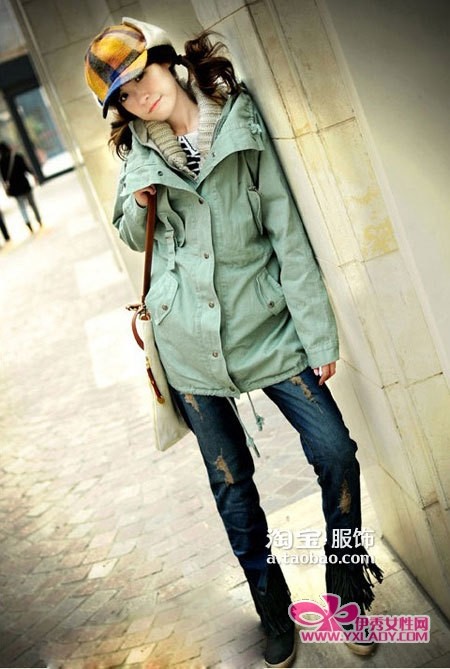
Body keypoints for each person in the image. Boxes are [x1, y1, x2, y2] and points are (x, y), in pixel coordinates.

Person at [85, 18, 383, 668]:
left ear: (167, 60)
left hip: (268, 329)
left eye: (141, 78)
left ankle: (346, 591)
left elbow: (287, 232)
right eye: (124, 97)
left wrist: (317, 332)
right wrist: (140, 202)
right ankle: (272, 607)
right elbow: (132, 236)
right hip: (188, 346)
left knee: (336, 452)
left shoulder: (240, 122)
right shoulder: (138, 155)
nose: (139, 98)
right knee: (232, 487)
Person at [0, 141, 42, 233]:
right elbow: (26, 169)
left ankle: (28, 225)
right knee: (32, 204)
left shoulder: (1, 163)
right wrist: (34, 175)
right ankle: (39, 220)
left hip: (15, 189)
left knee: (22, 207)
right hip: (24, 185)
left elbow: (4, 179)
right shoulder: (18, 157)